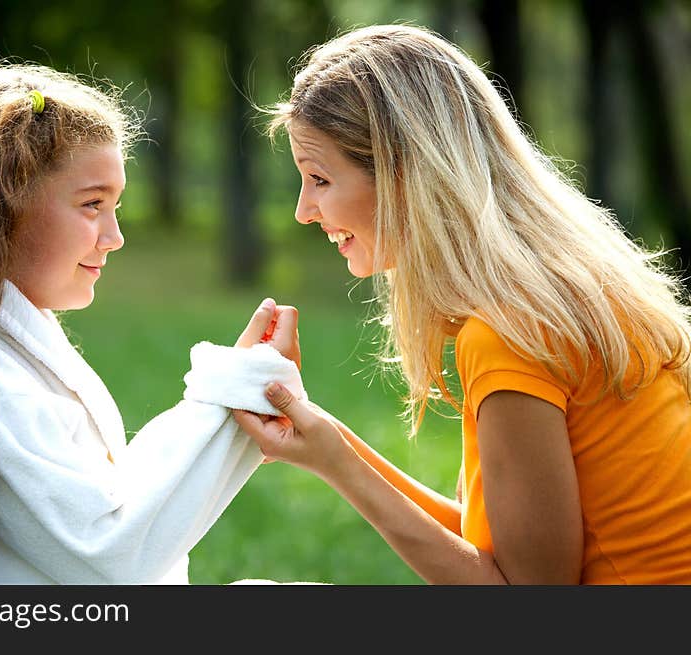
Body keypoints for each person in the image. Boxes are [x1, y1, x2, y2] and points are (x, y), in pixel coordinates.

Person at [0, 63, 306, 584]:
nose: (114, 236)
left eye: (115, 207)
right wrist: (234, 399)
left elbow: (100, 503)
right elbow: (108, 554)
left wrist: (232, 397)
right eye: (92, 205)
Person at [235, 24, 691, 584]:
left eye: (320, 179)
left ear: (406, 176)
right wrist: (326, 442)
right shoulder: (556, 293)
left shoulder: (509, 333)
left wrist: (339, 465)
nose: (304, 210)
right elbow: (497, 549)